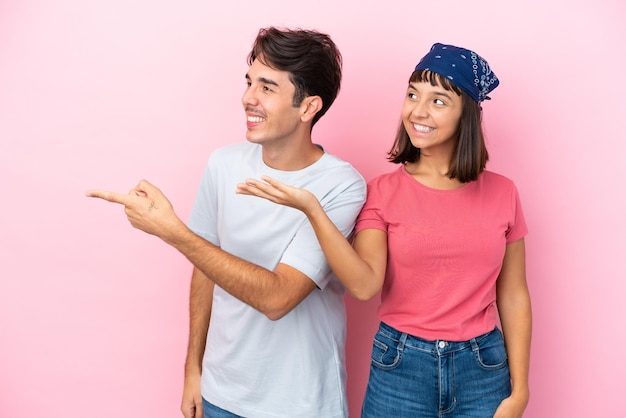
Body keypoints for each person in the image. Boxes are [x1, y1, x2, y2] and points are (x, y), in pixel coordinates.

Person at [237, 43, 532, 417]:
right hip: (400, 368)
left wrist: (519, 391)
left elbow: (514, 294)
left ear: (467, 115)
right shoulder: (382, 192)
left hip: (483, 369)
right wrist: (313, 209)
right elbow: (363, 285)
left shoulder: (503, 192)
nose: (418, 111)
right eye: (412, 95)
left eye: (438, 101)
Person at [86, 27, 366, 418]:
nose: (248, 98)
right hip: (220, 395)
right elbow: (206, 269)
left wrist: (173, 233)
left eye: (267, 87)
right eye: (249, 82)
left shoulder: (340, 185)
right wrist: (193, 370)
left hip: (299, 402)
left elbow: (277, 298)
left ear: (308, 108)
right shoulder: (224, 163)